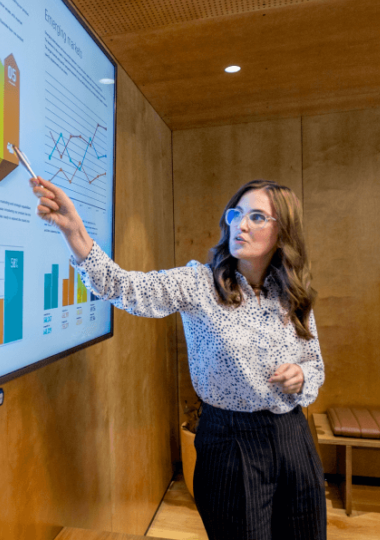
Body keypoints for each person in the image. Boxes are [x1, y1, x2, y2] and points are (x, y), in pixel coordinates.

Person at [29, 176, 327, 540]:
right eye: (236, 214)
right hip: (231, 443)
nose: (241, 224)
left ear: (283, 233)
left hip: (293, 435)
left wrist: (301, 375)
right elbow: (124, 287)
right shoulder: (198, 284)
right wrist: (74, 231)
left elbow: (314, 364)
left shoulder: (293, 294)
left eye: (257, 217)